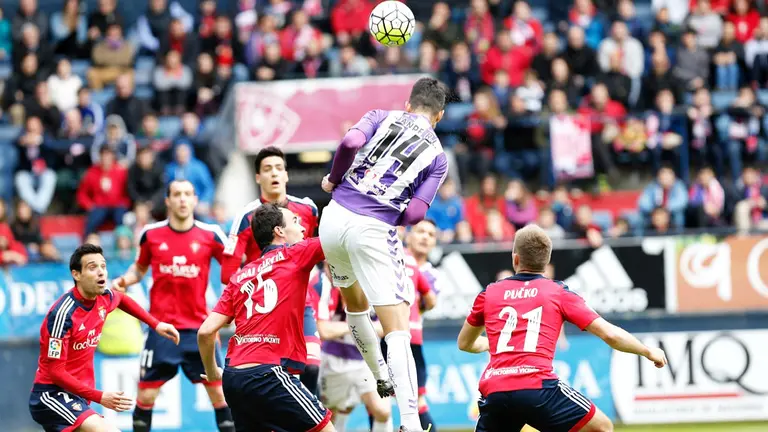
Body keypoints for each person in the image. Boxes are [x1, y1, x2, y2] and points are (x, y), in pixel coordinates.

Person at [319, 76, 448, 432]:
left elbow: (349, 141)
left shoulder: (380, 115)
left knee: (354, 305)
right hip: (374, 226)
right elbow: (418, 213)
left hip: (334, 218)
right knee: (398, 330)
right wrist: (395, 217)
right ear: (438, 115)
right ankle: (409, 422)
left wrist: (333, 179)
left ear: (408, 104)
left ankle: (379, 374)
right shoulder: (437, 156)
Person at [457, 224, 668, 432]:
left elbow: (464, 343)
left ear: (515, 258)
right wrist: (648, 351)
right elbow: (610, 334)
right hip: (538, 388)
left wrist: (490, 344)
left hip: (495, 390)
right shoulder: (557, 292)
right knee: (602, 427)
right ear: (546, 261)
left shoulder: (489, 293)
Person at [197, 203, 334, 432]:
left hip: (234, 378)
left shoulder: (240, 277)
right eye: (295, 222)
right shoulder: (295, 253)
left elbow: (205, 332)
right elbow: (339, 237)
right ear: (279, 231)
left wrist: (212, 372)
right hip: (268, 374)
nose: (302, 228)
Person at [112, 180, 234, 432]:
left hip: (200, 332)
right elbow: (140, 267)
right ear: (167, 201)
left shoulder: (210, 234)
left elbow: (234, 269)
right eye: (176, 194)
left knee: (221, 396)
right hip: (161, 330)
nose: (182, 199)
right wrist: (124, 279)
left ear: (194, 199)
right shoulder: (151, 234)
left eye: (187, 194)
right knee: (145, 397)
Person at [29, 244, 180, 432]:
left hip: (78, 397)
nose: (101, 272)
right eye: (93, 267)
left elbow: (122, 299)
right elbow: (55, 372)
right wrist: (101, 397)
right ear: (76, 274)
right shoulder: (63, 315)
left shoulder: (103, 297)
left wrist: (155, 324)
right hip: (51, 395)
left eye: (103, 266)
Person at [221, 146, 323, 394]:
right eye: (267, 169)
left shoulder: (308, 210)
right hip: (264, 308)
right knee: (276, 373)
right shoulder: (246, 216)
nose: (274, 174)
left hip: (301, 302)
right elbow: (228, 272)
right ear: (258, 177)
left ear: (287, 175)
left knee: (311, 367)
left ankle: (309, 419)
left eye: (279, 168)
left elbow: (316, 249)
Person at [316, 261, 393, 432]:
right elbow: (325, 330)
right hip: (333, 361)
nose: (331, 271)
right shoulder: (326, 288)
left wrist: (352, 326)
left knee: (382, 410)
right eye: (329, 267)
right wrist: (360, 325)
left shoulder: (374, 287)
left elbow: (388, 326)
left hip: (368, 361)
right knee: (330, 416)